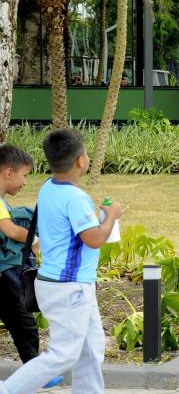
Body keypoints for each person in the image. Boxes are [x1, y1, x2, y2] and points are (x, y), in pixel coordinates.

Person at [0, 129, 124, 394]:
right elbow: (93, 239)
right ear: (81, 161)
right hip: (69, 287)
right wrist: (111, 216)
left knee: (90, 348)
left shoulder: (48, 187)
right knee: (64, 354)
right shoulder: (75, 198)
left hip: (66, 283)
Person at [0, 145, 64, 390]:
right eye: (24, 175)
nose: (26, 182)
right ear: (8, 172)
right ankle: (36, 374)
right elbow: (10, 230)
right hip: (4, 274)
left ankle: (35, 373)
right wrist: (35, 240)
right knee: (23, 321)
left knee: (21, 322)